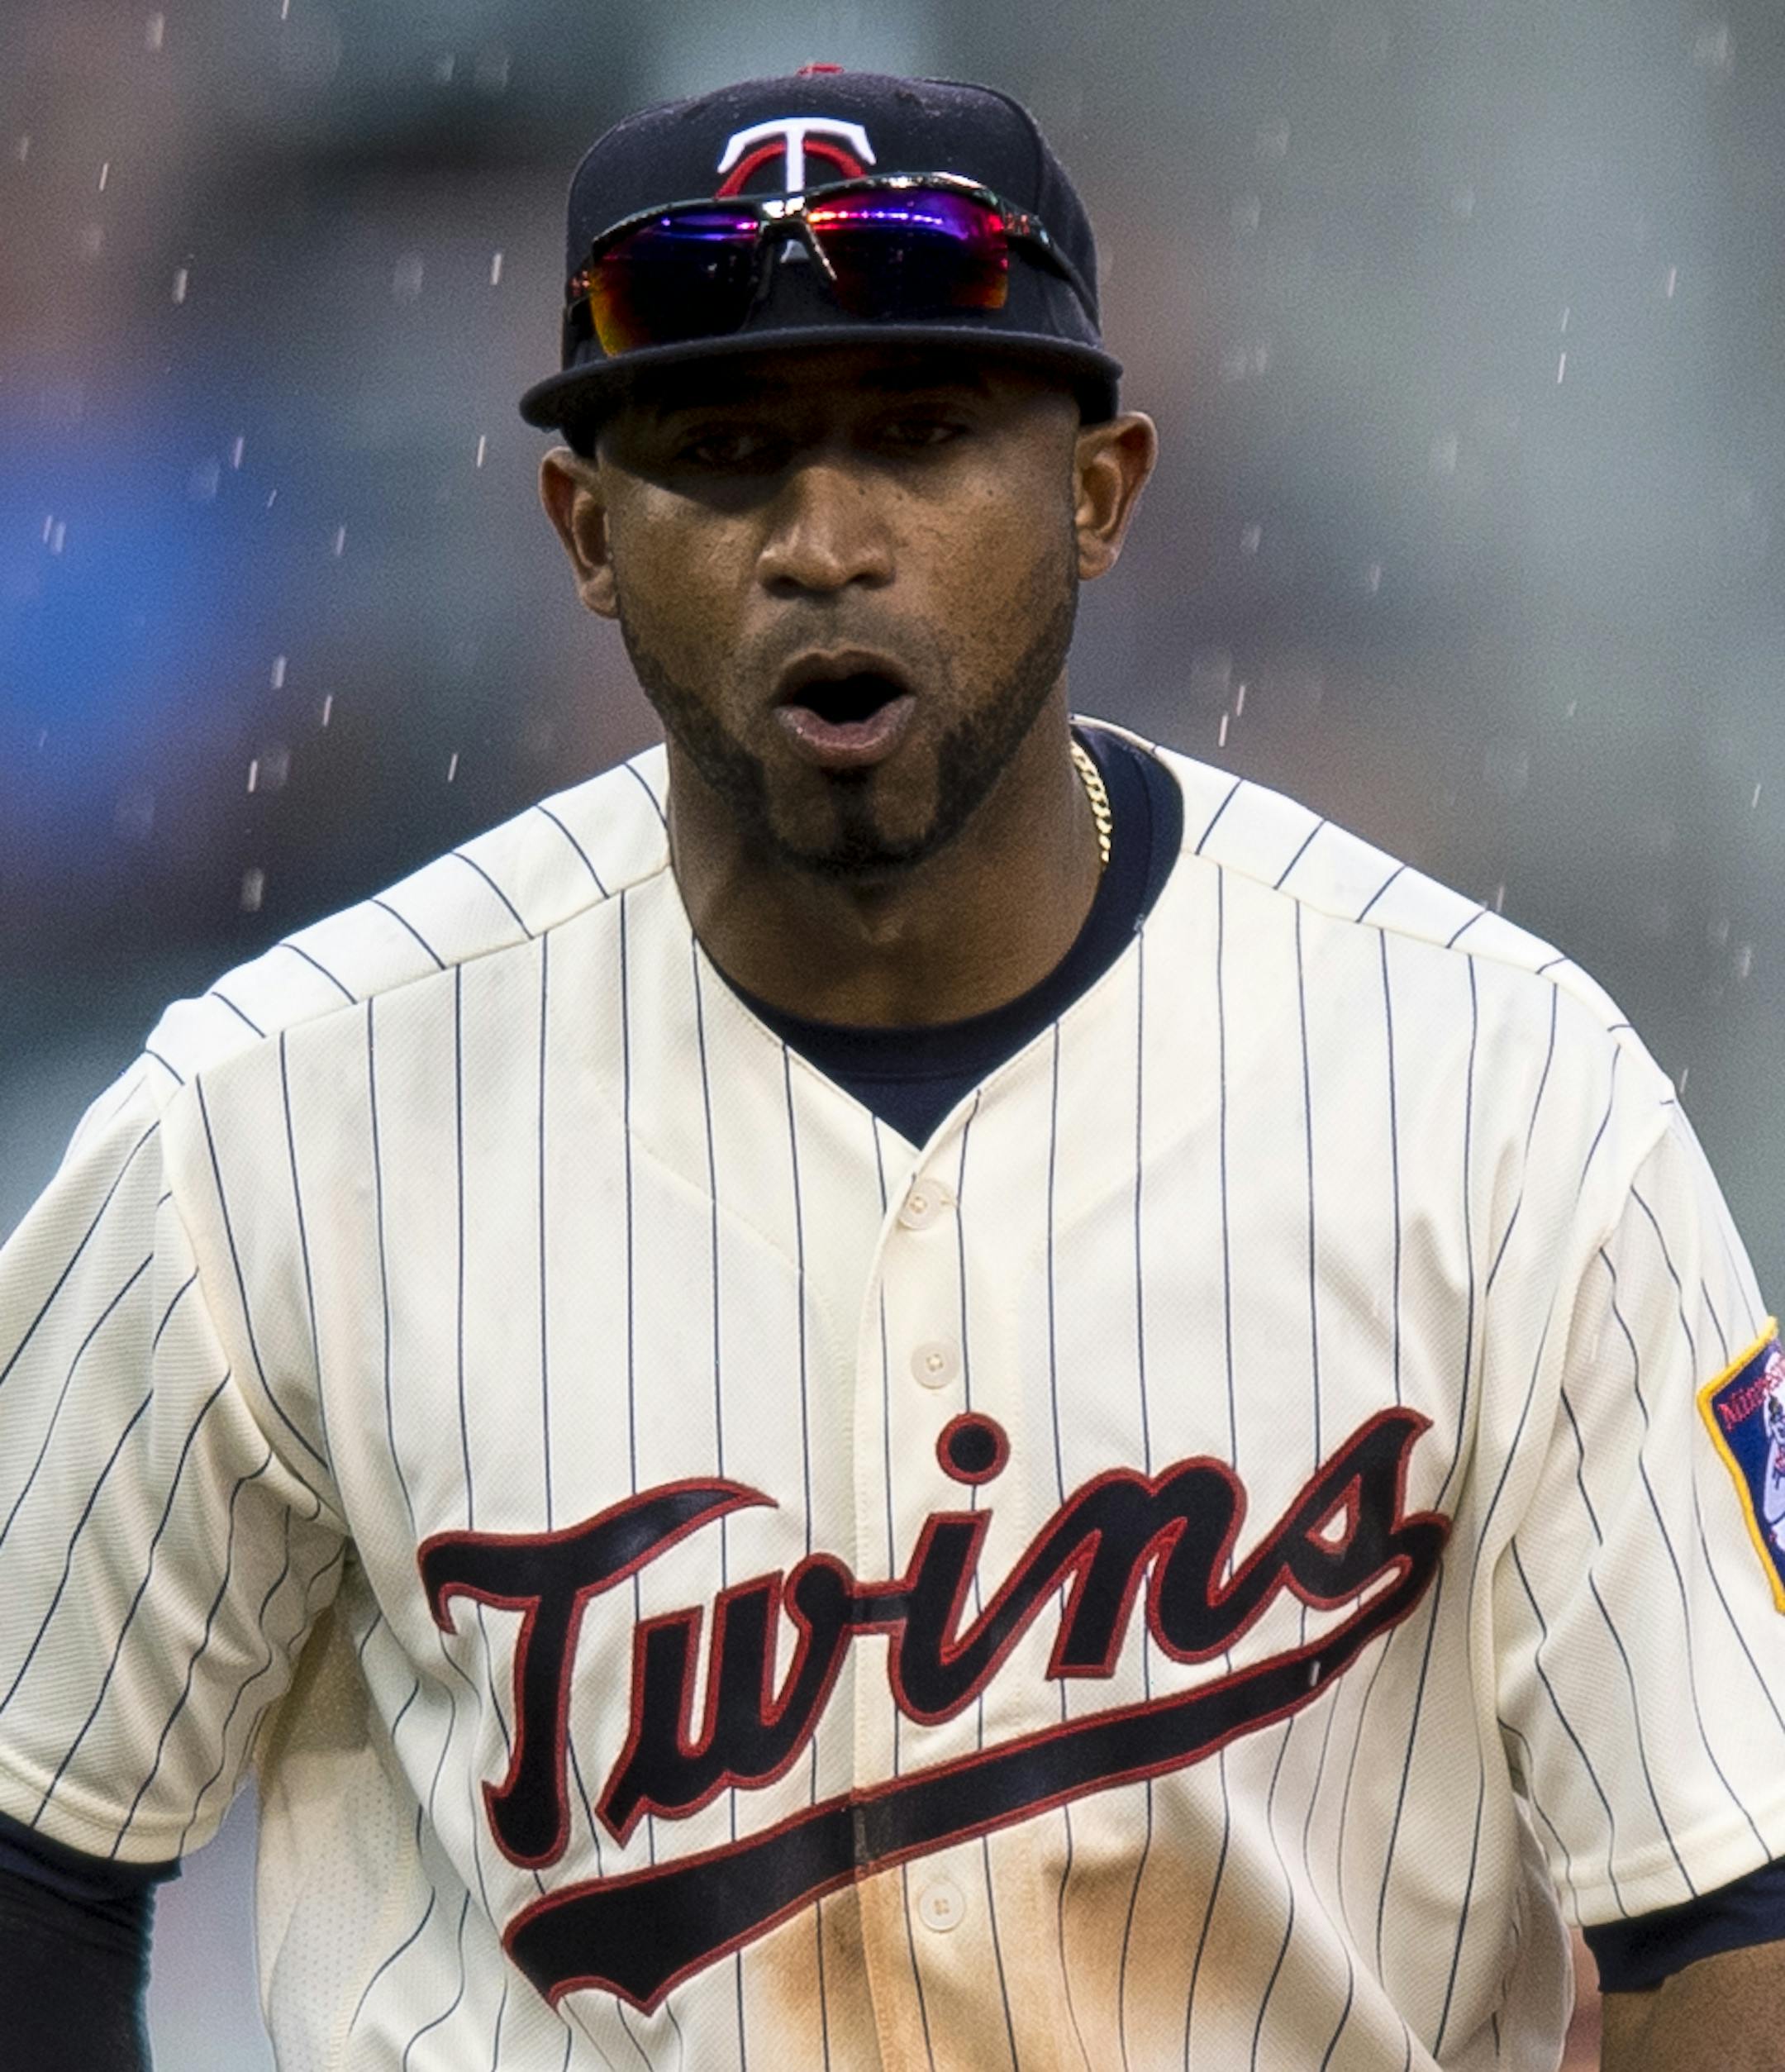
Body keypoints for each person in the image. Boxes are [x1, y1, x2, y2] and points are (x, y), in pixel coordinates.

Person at [0, 64, 1781, 2072]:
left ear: (1100, 490)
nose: (824, 540)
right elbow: (34, 1851)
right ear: (586, 530)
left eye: (922, 436)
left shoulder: (1506, 1093)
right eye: (725, 453)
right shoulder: (262, 1122)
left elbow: (1725, 1898)